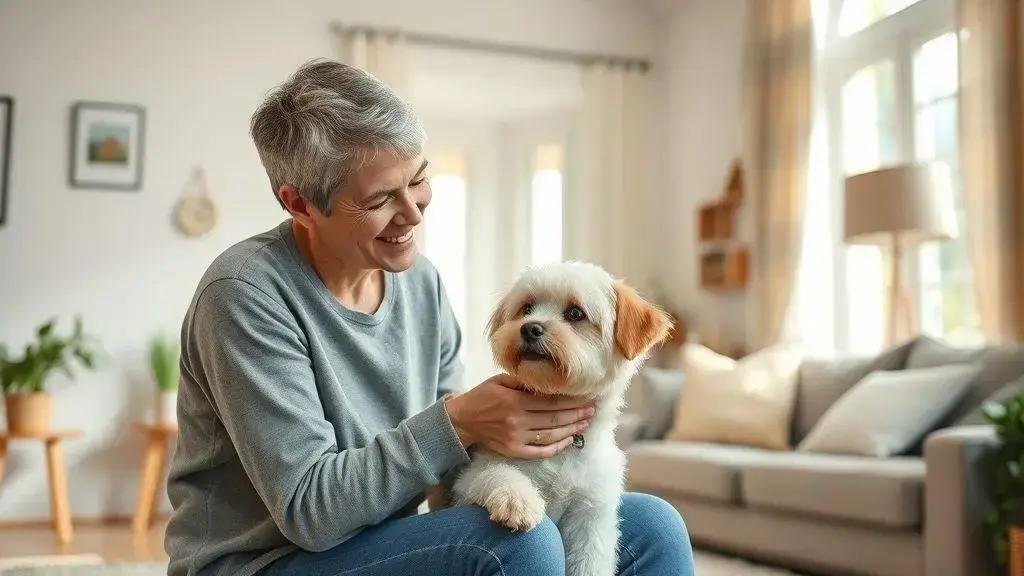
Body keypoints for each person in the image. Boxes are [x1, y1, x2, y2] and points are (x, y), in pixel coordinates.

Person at [164, 58, 695, 576]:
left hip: (376, 539)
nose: (414, 213)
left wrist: (513, 439)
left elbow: (450, 470)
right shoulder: (245, 295)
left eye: (418, 180)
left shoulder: (420, 283)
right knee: (513, 544)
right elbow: (310, 512)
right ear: (300, 204)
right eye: (380, 199)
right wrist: (461, 420)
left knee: (653, 525)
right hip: (268, 561)